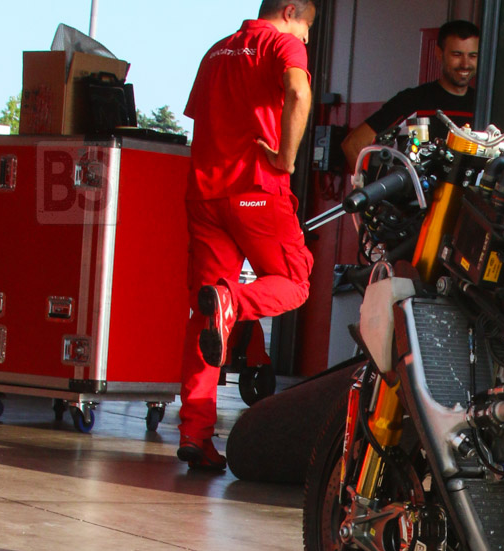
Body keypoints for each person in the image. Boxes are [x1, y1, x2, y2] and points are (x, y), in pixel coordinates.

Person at [179, 0, 317, 470]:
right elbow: (298, 91)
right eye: (306, 29)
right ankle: (231, 302)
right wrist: (285, 158)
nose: (305, 40)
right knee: (294, 282)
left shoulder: (215, 52)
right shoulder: (280, 45)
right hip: (256, 191)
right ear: (291, 11)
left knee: (205, 315)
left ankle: (195, 434)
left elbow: (203, 120)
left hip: (205, 195)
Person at [340, 20, 480, 169]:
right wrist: (379, 184)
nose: (465, 64)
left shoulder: (484, 105)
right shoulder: (413, 100)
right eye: (457, 55)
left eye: (472, 56)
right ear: (439, 54)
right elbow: (353, 145)